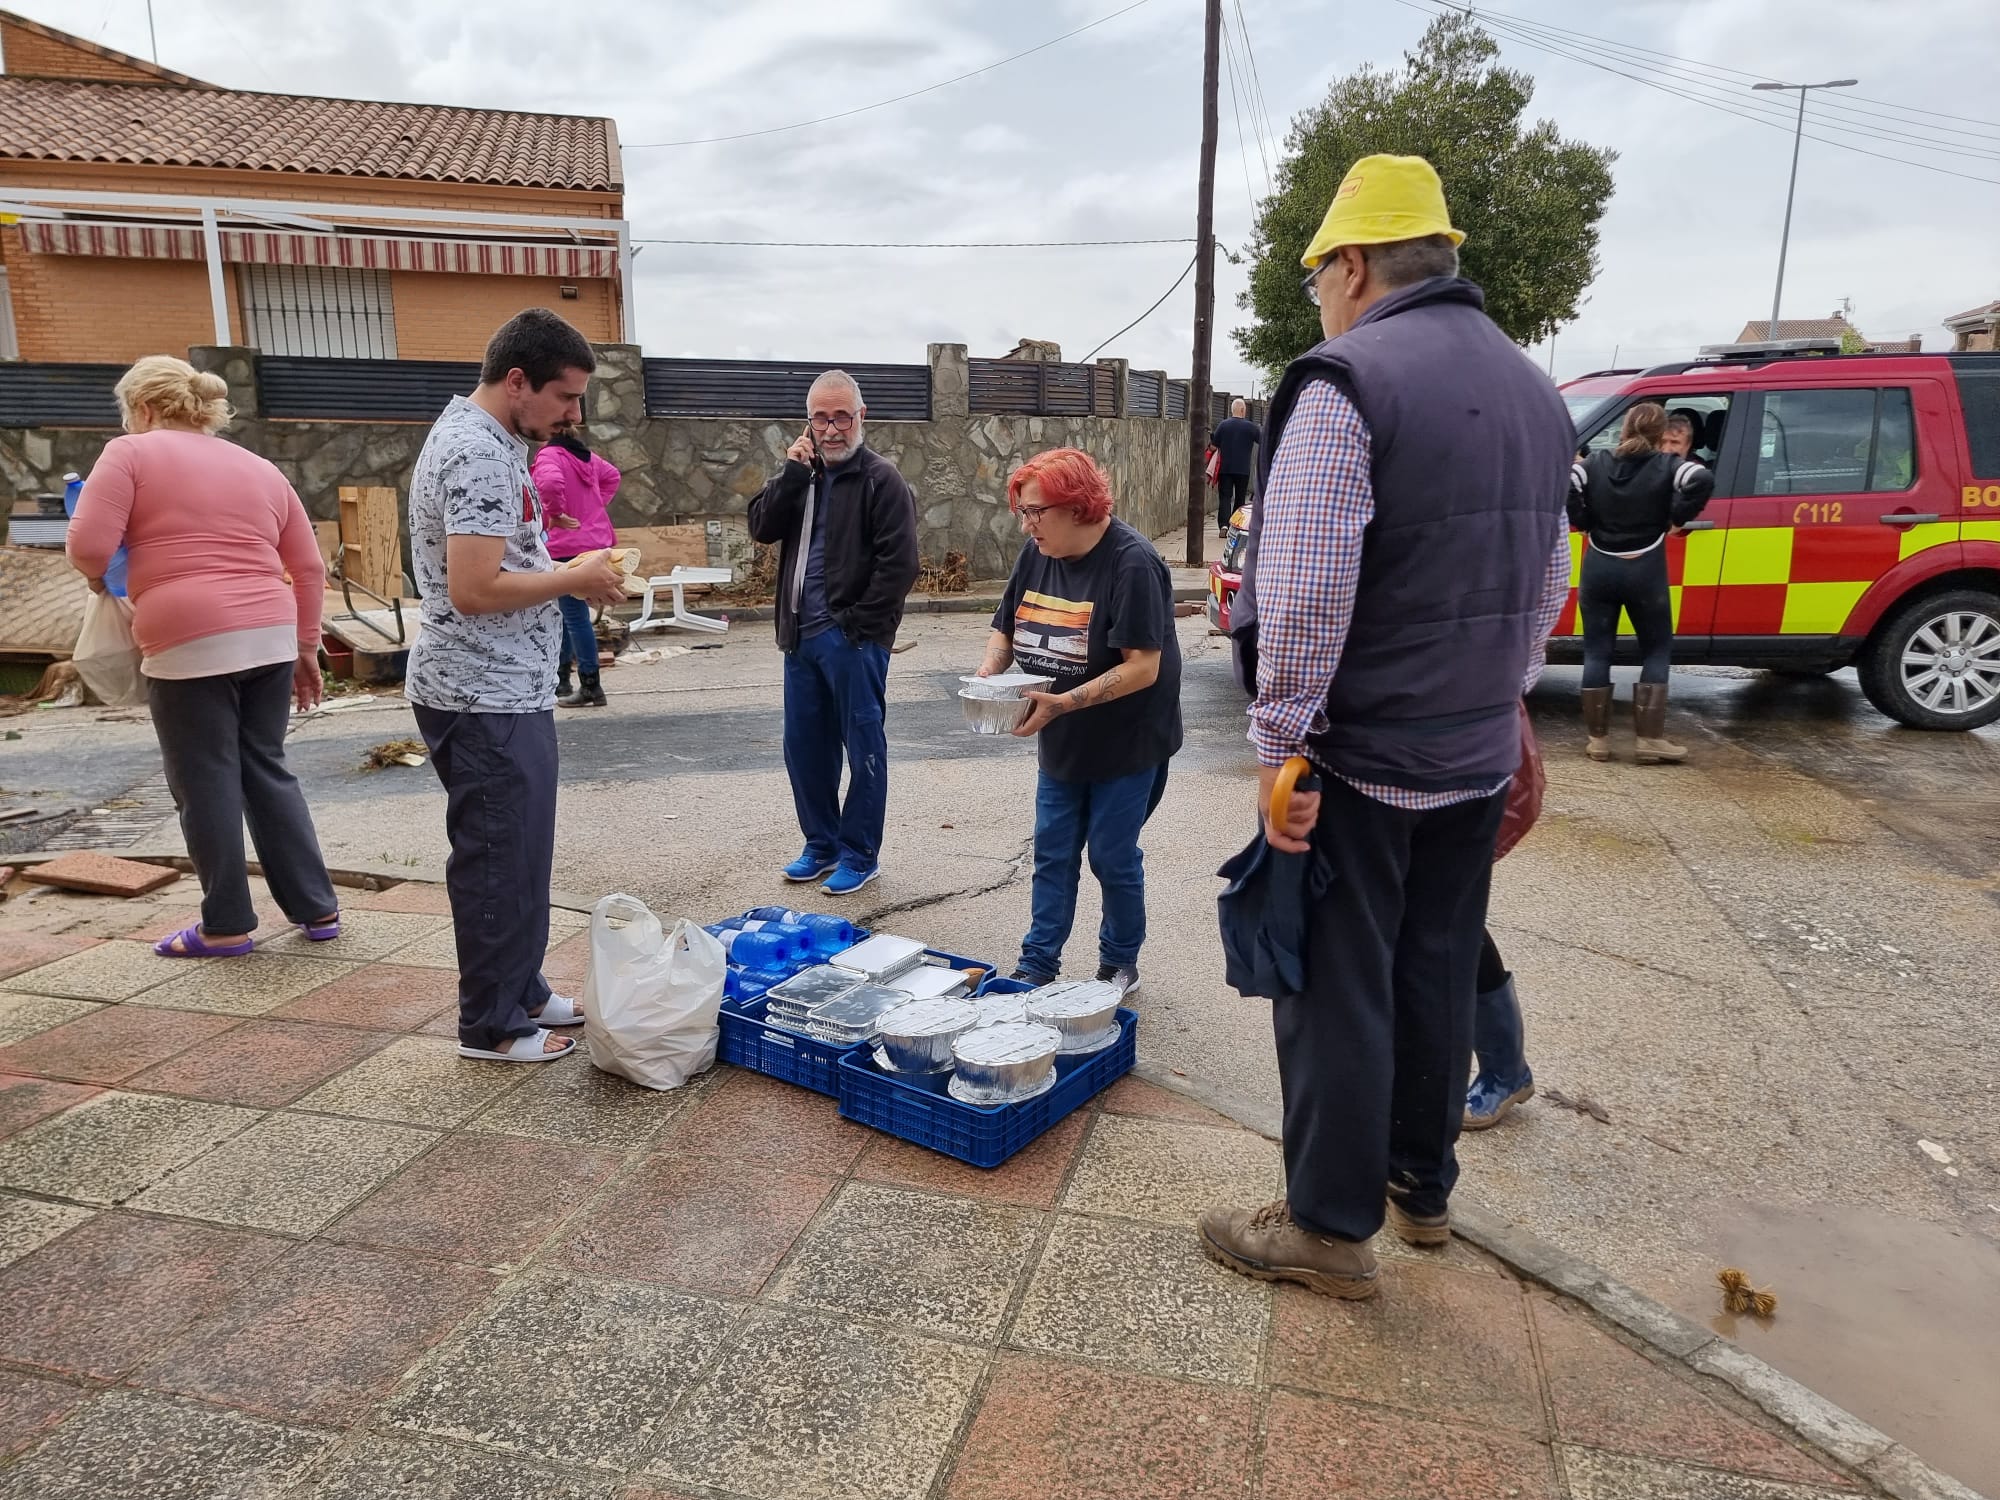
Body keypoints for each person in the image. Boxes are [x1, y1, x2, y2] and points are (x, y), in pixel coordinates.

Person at [1196, 155, 1574, 1300]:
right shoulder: (1534, 390)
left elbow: (1303, 592)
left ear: (1353, 265)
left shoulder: (1345, 384)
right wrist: (1503, 699)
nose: (1320, 297)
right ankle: (1421, 1189)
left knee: (1333, 987)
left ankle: (1325, 1226)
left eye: (1319, 276)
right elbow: (1546, 575)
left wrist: (1279, 749)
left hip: (1359, 757)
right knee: (1435, 969)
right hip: (1472, 752)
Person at [404, 309, 627, 1063]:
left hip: (504, 686)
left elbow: (497, 566)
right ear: (518, 381)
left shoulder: (492, 441)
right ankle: (492, 1026)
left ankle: (523, 990)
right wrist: (574, 576)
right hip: (480, 692)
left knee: (522, 852)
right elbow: (473, 588)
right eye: (566, 397)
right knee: (499, 858)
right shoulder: (476, 453)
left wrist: (566, 571)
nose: (574, 416)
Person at [66, 355, 340, 958]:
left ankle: (226, 925)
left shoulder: (129, 453)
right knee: (266, 766)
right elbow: (308, 565)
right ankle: (318, 909)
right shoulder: (259, 466)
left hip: (187, 635)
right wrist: (305, 645)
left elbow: (88, 547)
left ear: (143, 408)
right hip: (271, 631)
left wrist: (99, 577)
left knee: (204, 776)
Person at [977, 448, 1183, 995]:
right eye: (1022, 512)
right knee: (1053, 853)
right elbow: (1004, 628)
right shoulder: (1036, 553)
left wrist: (1063, 703)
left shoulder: (1133, 563)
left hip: (1129, 740)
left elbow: (1143, 667)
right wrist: (989, 673)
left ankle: (1119, 962)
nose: (1026, 524)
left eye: (1035, 511)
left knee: (1111, 856)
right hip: (1063, 736)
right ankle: (1037, 964)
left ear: (1077, 506)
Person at [747, 370, 920, 897]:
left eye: (841, 417)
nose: (831, 428)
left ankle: (860, 854)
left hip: (852, 641)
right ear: (808, 422)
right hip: (799, 638)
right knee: (805, 749)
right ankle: (820, 845)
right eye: (820, 418)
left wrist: (860, 628)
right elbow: (761, 527)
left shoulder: (881, 479)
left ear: (861, 416)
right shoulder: (803, 475)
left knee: (863, 748)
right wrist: (790, 474)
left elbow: (900, 565)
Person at [1570, 402, 1715, 765]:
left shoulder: (1595, 463)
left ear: (1624, 429)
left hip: (1599, 567)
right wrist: (1676, 518)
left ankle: (1598, 741)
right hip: (1645, 570)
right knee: (1655, 650)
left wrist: (1583, 521)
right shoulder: (1668, 466)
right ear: (1658, 433)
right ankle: (1649, 740)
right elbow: (1701, 480)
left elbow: (1565, 479)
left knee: (1596, 651)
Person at [531, 429, 622, 708]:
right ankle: (563, 681)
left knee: (572, 615)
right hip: (595, 540)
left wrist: (556, 513)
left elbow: (549, 483)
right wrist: (595, 507)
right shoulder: (585, 456)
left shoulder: (549, 455)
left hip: (566, 543)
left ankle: (589, 684)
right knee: (567, 613)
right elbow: (612, 476)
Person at [1210, 398, 1261, 536]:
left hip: (1225, 469)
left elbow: (1213, 446)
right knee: (1240, 498)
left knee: (1225, 497)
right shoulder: (1251, 427)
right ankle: (1235, 526)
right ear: (1243, 410)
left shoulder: (1223, 425)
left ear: (1232, 410)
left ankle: (1224, 525)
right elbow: (1263, 441)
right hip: (1243, 470)